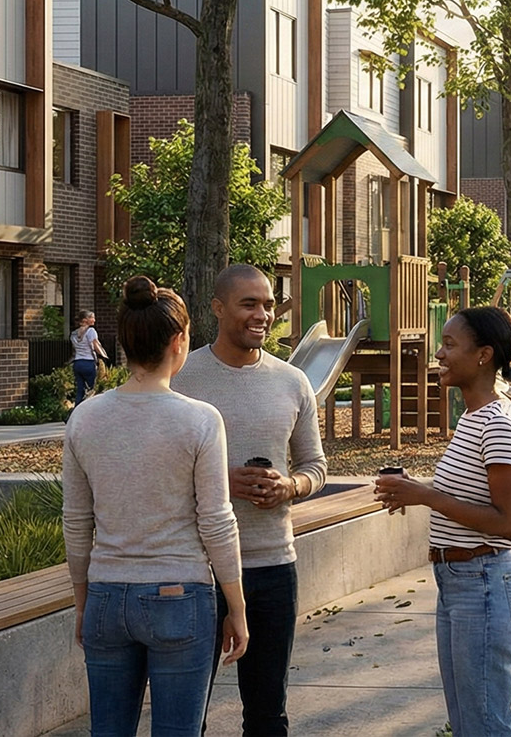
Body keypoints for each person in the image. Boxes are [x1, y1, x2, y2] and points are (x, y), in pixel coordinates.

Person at [62, 276, 248, 737]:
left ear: (122, 342)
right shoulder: (200, 420)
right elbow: (217, 523)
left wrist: (83, 601)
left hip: (105, 592)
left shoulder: (84, 417)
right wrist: (237, 607)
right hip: (179, 596)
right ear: (179, 341)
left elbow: (75, 522)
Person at [172, 264, 326, 737]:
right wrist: (219, 482)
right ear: (218, 308)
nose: (263, 314)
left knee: (267, 713)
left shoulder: (293, 382)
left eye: (268, 304)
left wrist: (289, 487)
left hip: (274, 566)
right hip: (197, 570)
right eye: (249, 304)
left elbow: (315, 468)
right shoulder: (182, 377)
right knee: (186, 717)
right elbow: (160, 472)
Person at [375, 306, 511, 737]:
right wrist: (413, 488)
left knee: (486, 726)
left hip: (484, 582)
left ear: (483, 355)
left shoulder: (497, 424)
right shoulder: (471, 418)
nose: (438, 355)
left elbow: (508, 523)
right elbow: (467, 496)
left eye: (448, 345)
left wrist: (424, 495)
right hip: (459, 582)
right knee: (467, 725)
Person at [70, 309, 110, 407]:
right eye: (92, 317)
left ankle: (75, 414)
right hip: (88, 363)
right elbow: (96, 345)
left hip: (77, 363)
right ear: (85, 320)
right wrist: (105, 357)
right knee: (93, 390)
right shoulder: (91, 331)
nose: (94, 320)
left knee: (80, 390)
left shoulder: (74, 334)